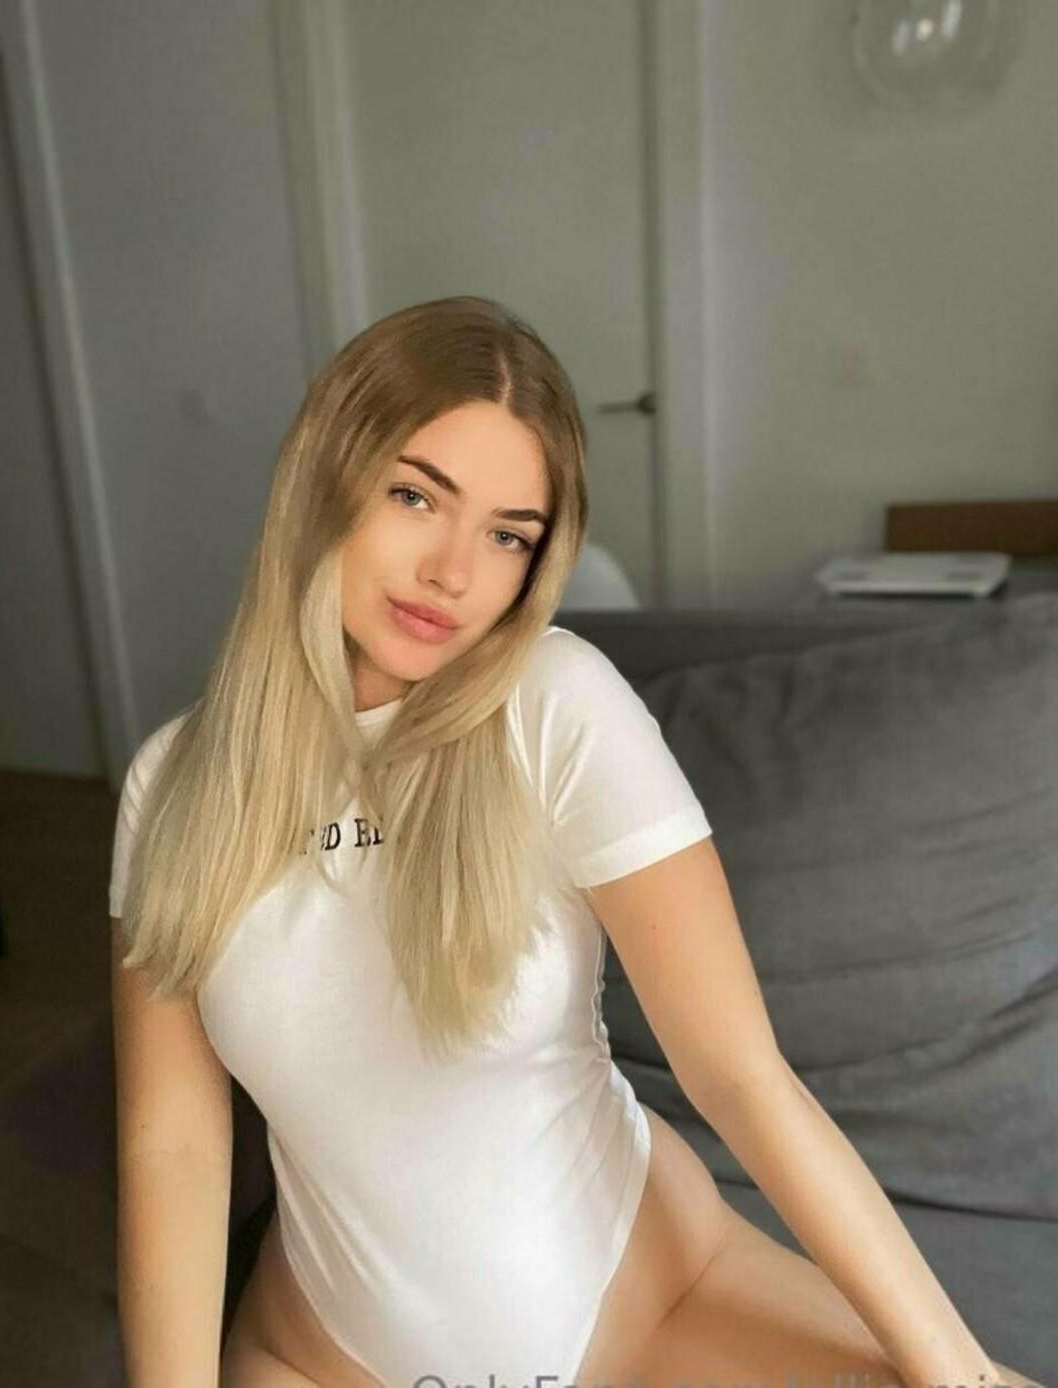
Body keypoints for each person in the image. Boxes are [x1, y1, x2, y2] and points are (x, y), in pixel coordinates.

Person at [110, 296, 1041, 1388]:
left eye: (509, 534)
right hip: (322, 1356)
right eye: (416, 495)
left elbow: (741, 1076)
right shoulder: (169, 785)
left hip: (647, 1305)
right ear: (323, 475)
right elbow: (173, 1144)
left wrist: (959, 1376)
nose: (455, 572)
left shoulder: (555, 704)